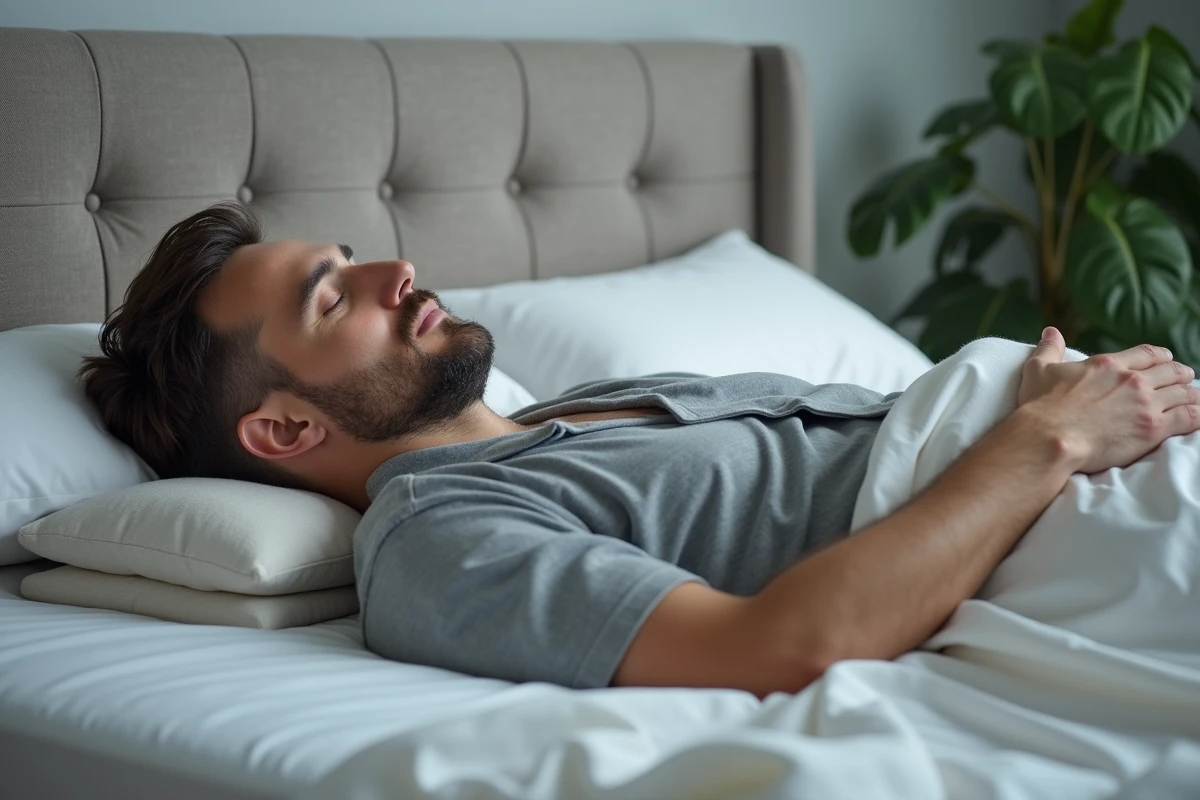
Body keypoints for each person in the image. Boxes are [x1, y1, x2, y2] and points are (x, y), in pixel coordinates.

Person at [81, 202, 1200, 698]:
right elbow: (785, 647)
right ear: (284, 429)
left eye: (354, 256)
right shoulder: (437, 540)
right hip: (1054, 491)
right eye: (335, 299)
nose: (397, 272)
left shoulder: (587, 407)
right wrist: (1047, 435)